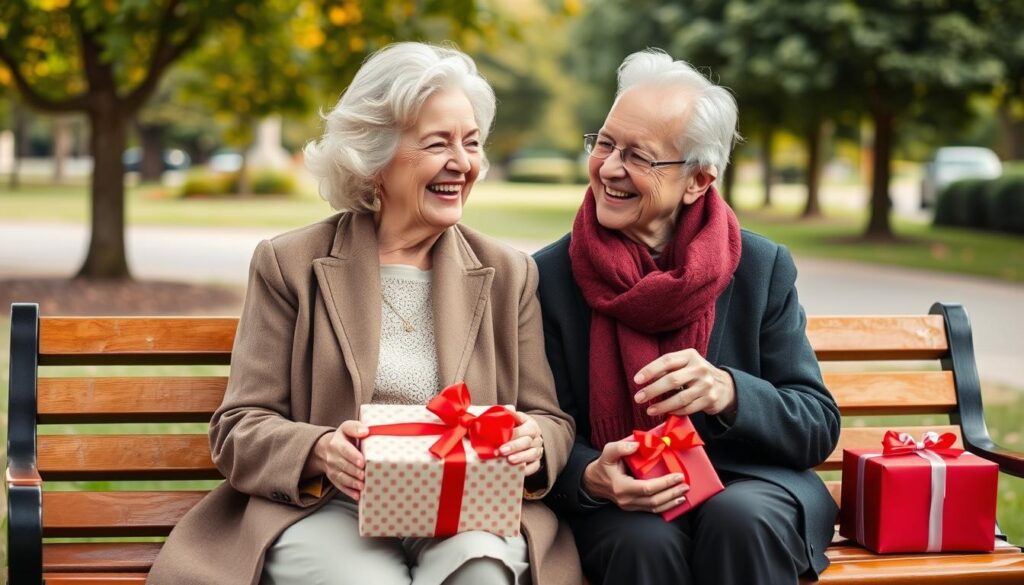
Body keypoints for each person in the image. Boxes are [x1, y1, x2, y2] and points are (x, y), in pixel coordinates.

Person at [148, 42, 580, 585]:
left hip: (464, 508)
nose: (463, 163)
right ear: (374, 159)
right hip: (326, 506)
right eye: (437, 143)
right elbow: (239, 427)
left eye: (471, 143)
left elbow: (551, 420)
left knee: (481, 575)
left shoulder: (507, 272)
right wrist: (319, 450)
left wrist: (533, 440)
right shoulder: (290, 265)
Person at [535, 49, 840, 584]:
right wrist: (591, 476)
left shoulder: (760, 266)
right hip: (625, 500)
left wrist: (729, 391)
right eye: (605, 143)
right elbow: (546, 424)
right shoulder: (550, 276)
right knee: (641, 540)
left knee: (739, 517)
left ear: (699, 180)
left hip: (753, 483)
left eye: (639, 156)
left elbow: (815, 423)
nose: (609, 168)